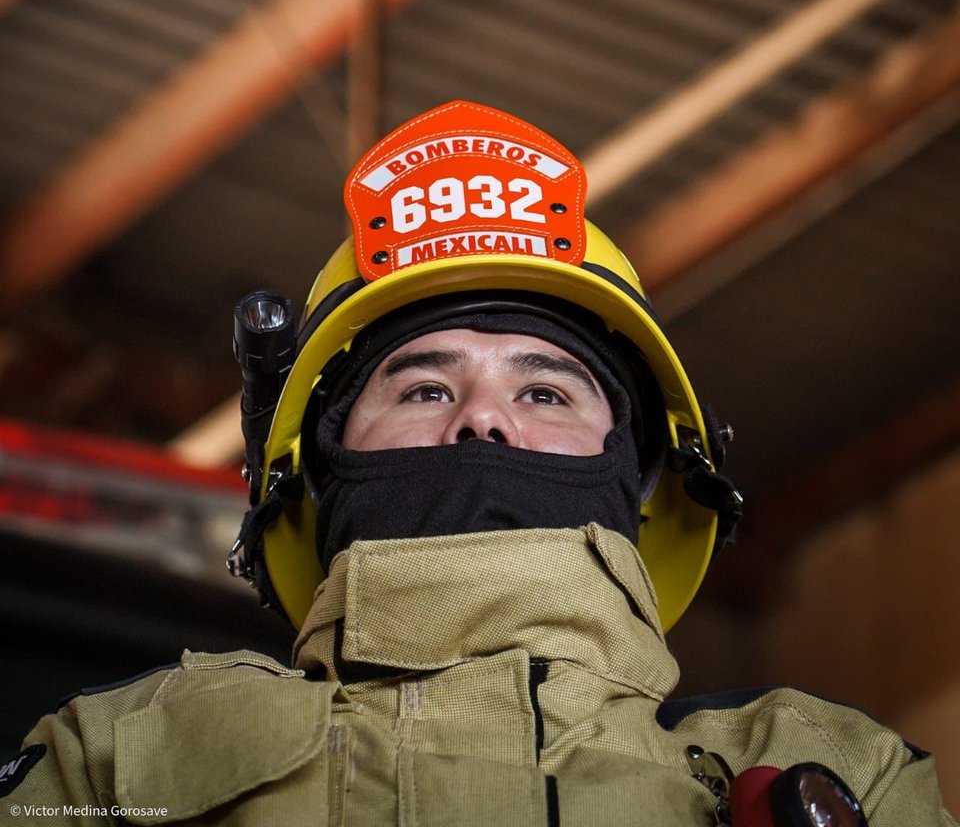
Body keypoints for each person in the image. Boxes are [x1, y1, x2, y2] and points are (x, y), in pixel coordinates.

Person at [1, 101, 953, 825]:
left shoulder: (838, 771)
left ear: (650, 484)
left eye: (544, 392)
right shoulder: (119, 762)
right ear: (311, 479)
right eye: (423, 389)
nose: (483, 425)